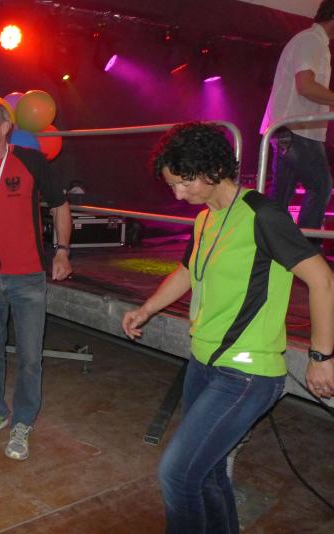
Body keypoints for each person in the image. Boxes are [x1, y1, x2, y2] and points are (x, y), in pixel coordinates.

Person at [121, 122, 334, 533]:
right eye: (172, 185)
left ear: (212, 170)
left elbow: (323, 280)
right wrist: (146, 309)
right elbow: (187, 271)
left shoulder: (262, 215)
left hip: (247, 372)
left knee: (177, 475)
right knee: (209, 472)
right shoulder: (206, 218)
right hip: (203, 362)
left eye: (183, 183)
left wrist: (321, 356)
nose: (178, 195)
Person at [0, 98, 73, 461]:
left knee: (30, 356)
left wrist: (62, 251)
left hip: (27, 277)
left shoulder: (32, 161)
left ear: (5, 128)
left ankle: (22, 421)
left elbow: (60, 205)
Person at [260, 0, 334, 233]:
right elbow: (306, 86)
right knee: (321, 186)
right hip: (297, 129)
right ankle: (306, 249)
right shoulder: (311, 40)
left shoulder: (314, 42)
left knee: (281, 194)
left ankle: (269, 245)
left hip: (290, 128)